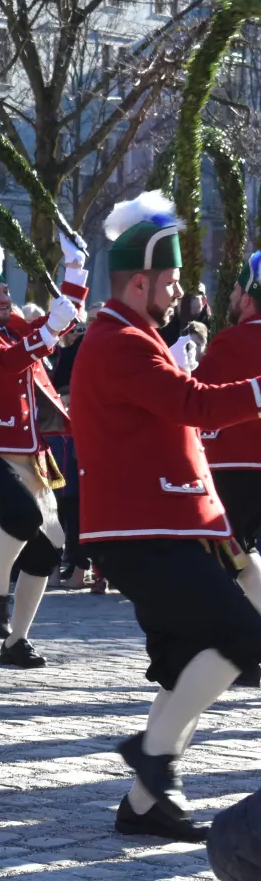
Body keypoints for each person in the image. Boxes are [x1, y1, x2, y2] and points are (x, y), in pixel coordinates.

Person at [72, 191, 261, 842]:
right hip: (143, 528)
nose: (179, 293)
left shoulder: (133, 336)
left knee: (186, 664)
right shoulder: (119, 339)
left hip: (156, 526)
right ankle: (152, 761)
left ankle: (144, 805)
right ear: (139, 281)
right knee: (245, 636)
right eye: (172, 282)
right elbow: (194, 405)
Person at [0, 243, 82, 669]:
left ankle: (16, 641)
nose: (4, 298)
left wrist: (76, 266)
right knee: (23, 518)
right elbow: (10, 363)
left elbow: (64, 317)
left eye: (5, 290)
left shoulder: (15, 327)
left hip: (30, 452)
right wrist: (48, 332)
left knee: (49, 548)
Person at [191, 249, 261, 615]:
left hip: (236, 465)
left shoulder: (231, 341)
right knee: (242, 553)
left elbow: (194, 400)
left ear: (248, 299)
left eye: (235, 292)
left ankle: (234, 648)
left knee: (218, 562)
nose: (231, 298)